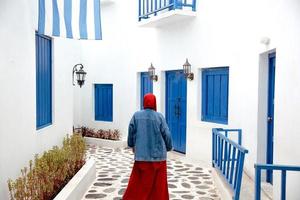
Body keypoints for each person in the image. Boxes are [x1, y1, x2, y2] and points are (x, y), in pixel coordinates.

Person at [123, 93, 173, 200]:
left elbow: (130, 130)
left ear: (144, 102)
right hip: (159, 157)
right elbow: (167, 134)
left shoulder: (136, 116)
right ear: (154, 103)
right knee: (158, 185)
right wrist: (169, 147)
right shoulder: (160, 117)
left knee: (139, 183)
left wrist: (131, 144)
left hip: (141, 156)